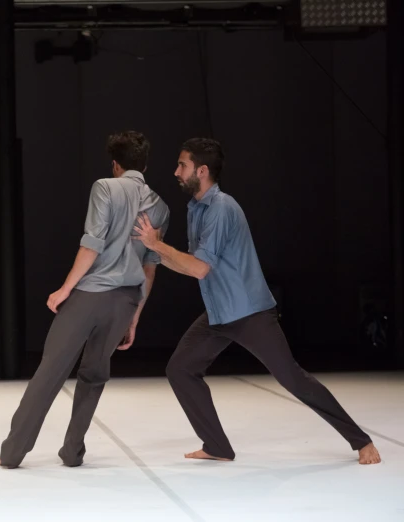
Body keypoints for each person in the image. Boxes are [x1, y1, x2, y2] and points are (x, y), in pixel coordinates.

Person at [134, 138, 381, 465]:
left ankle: (361, 441)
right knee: (180, 369)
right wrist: (157, 250)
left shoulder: (221, 208)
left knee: (293, 379)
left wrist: (157, 245)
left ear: (202, 170)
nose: (176, 171)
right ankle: (217, 446)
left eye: (182, 165)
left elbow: (199, 268)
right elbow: (193, 265)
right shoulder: (198, 208)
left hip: (249, 312)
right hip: (220, 313)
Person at [0, 131, 170, 468]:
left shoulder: (106, 187)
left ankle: (14, 452)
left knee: (50, 372)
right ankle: (73, 450)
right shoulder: (161, 206)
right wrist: (135, 317)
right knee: (94, 374)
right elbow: (150, 267)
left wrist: (64, 290)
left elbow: (92, 244)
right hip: (125, 302)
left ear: (115, 164)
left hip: (90, 295)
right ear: (145, 165)